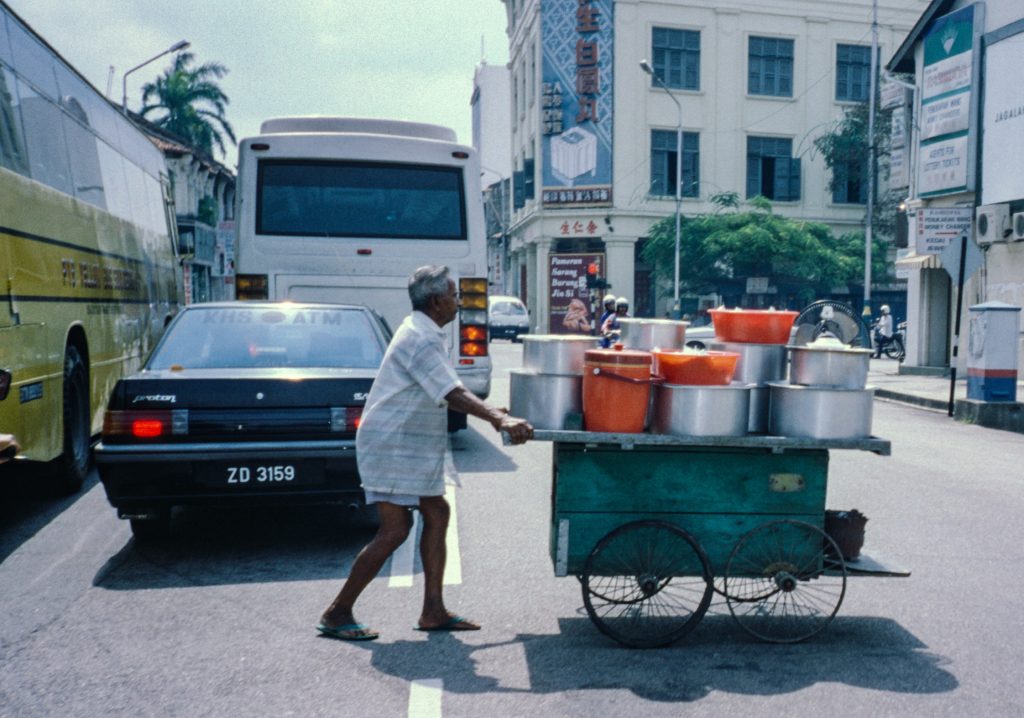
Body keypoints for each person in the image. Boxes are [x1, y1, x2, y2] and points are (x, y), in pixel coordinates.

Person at [318, 265, 534, 641]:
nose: (459, 302)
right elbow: (451, 392)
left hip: (406, 441)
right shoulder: (420, 337)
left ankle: (433, 610)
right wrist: (498, 417)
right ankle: (338, 611)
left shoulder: (425, 330)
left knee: (437, 510)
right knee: (395, 530)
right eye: (454, 296)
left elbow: (449, 387)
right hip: (391, 443)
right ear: (436, 302)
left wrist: (496, 414)